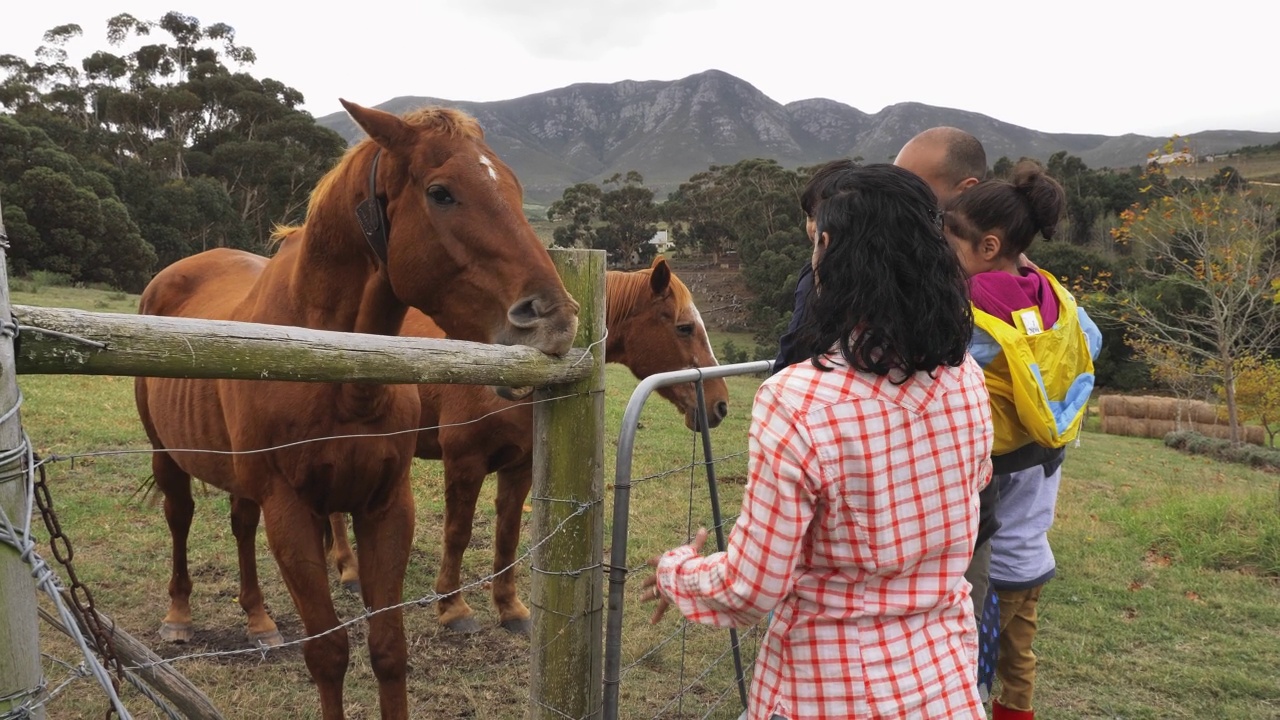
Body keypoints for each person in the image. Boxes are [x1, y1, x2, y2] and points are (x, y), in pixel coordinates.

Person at [642, 163, 993, 720]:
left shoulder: (799, 400)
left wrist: (675, 571)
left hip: (828, 690)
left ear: (825, 246)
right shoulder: (965, 379)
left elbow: (750, 588)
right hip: (944, 684)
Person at [941, 160, 1103, 720]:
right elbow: (1091, 340)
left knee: (975, 665)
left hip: (996, 554)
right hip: (1036, 547)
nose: (943, 249)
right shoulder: (1048, 290)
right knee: (1019, 663)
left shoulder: (970, 304)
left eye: (950, 239)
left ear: (988, 246)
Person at [771, 158, 858, 374]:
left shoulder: (817, 275)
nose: (812, 227)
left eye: (817, 216)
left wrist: (779, 379)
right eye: (809, 216)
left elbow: (798, 341)